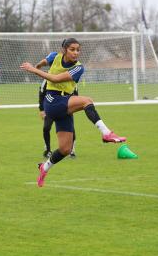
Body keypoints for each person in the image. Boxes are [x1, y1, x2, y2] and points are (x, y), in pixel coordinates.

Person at [20, 38, 129, 187]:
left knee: (65, 149)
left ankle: (44, 168)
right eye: (72, 49)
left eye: (78, 49)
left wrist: (34, 69)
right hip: (52, 101)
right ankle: (106, 133)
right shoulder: (54, 56)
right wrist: (37, 66)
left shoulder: (78, 68)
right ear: (64, 49)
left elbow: (56, 79)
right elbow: (44, 62)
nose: (76, 52)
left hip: (64, 104)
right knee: (87, 101)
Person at [37, 64, 77, 159]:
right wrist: (42, 109)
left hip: (66, 107)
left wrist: (73, 107)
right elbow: (41, 93)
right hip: (51, 107)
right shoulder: (48, 78)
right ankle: (47, 150)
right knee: (46, 128)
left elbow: (75, 94)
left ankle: (72, 149)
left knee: (71, 129)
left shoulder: (71, 78)